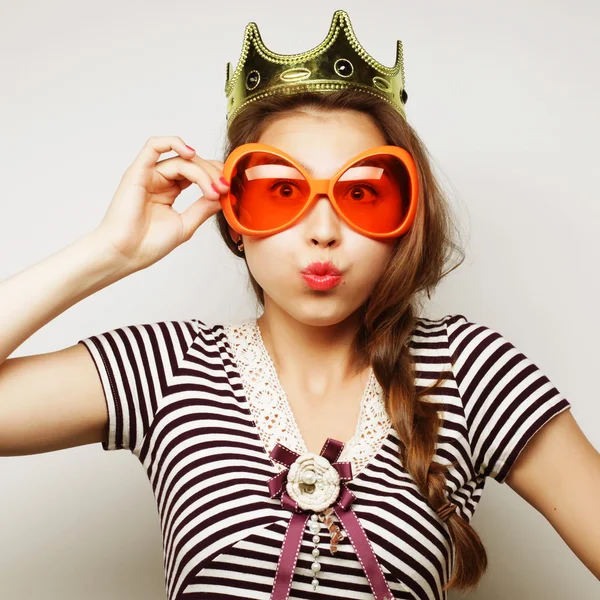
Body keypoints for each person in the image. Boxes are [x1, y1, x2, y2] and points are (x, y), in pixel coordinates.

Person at [0, 9, 598, 600]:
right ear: (233, 216)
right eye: (282, 191)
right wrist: (111, 252)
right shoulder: (165, 366)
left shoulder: (471, 372)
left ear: (405, 216)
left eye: (361, 193)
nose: (323, 231)